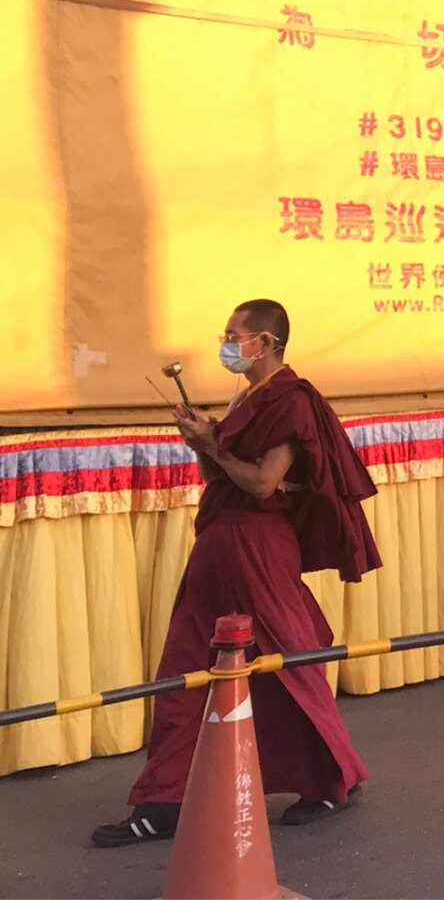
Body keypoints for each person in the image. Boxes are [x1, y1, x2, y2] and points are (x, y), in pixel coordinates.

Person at [93, 300, 380, 848]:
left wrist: (213, 449)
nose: (227, 343)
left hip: (259, 544)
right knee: (185, 664)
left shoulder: (291, 401)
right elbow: (219, 473)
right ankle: (162, 802)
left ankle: (333, 780)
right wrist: (201, 443)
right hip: (219, 541)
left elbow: (262, 483)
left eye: (235, 334)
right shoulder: (245, 398)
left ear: (266, 343)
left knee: (289, 661)